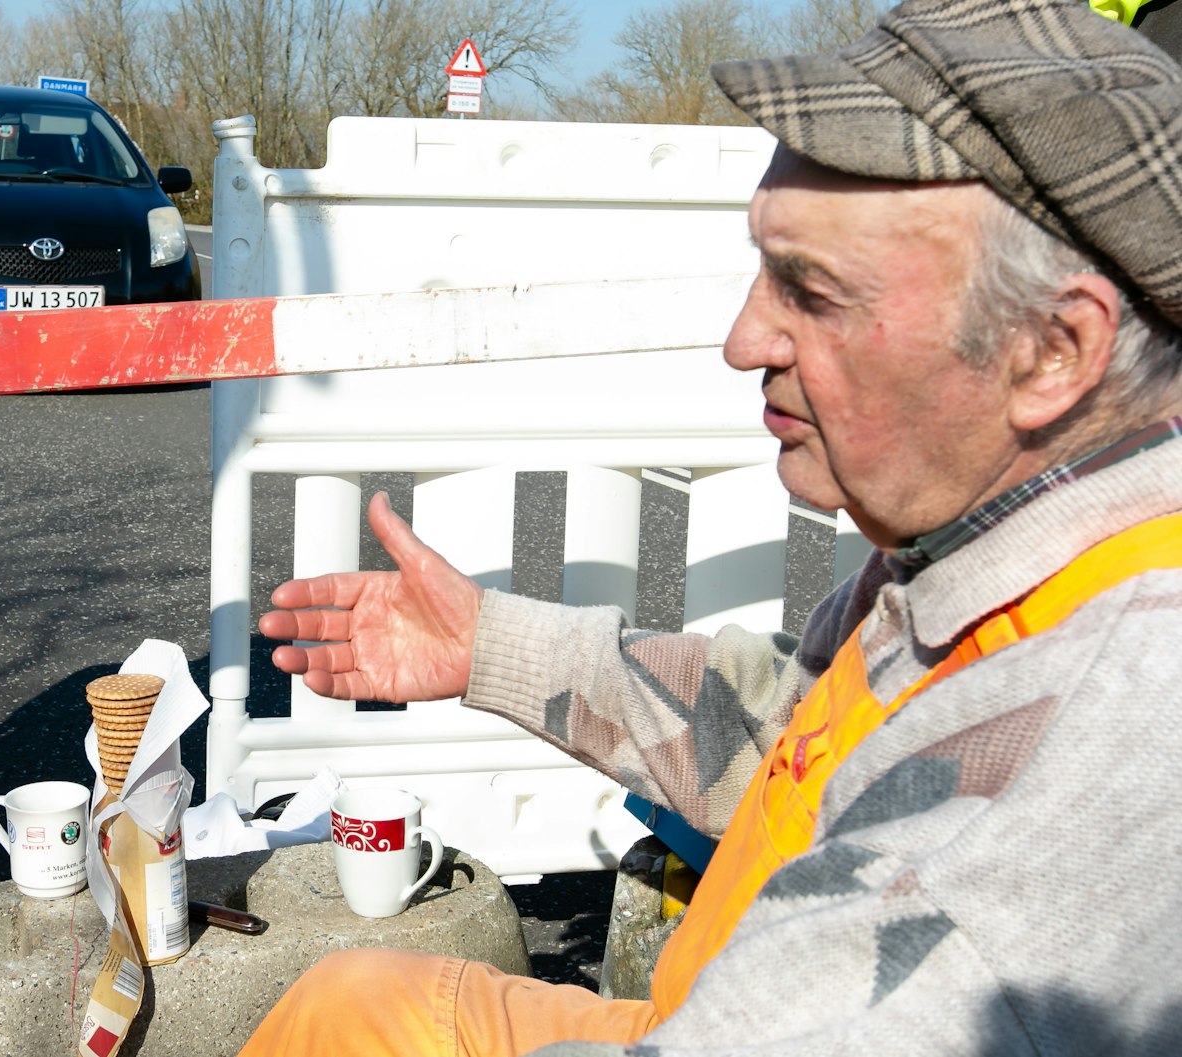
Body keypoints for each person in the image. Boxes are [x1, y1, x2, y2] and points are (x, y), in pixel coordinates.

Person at [241, 1, 1182, 1054]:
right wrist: (482, 644)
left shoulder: (1000, 854)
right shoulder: (996, 544)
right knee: (353, 1001)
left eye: (808, 290)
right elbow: (787, 738)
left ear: (1051, 351)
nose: (743, 340)